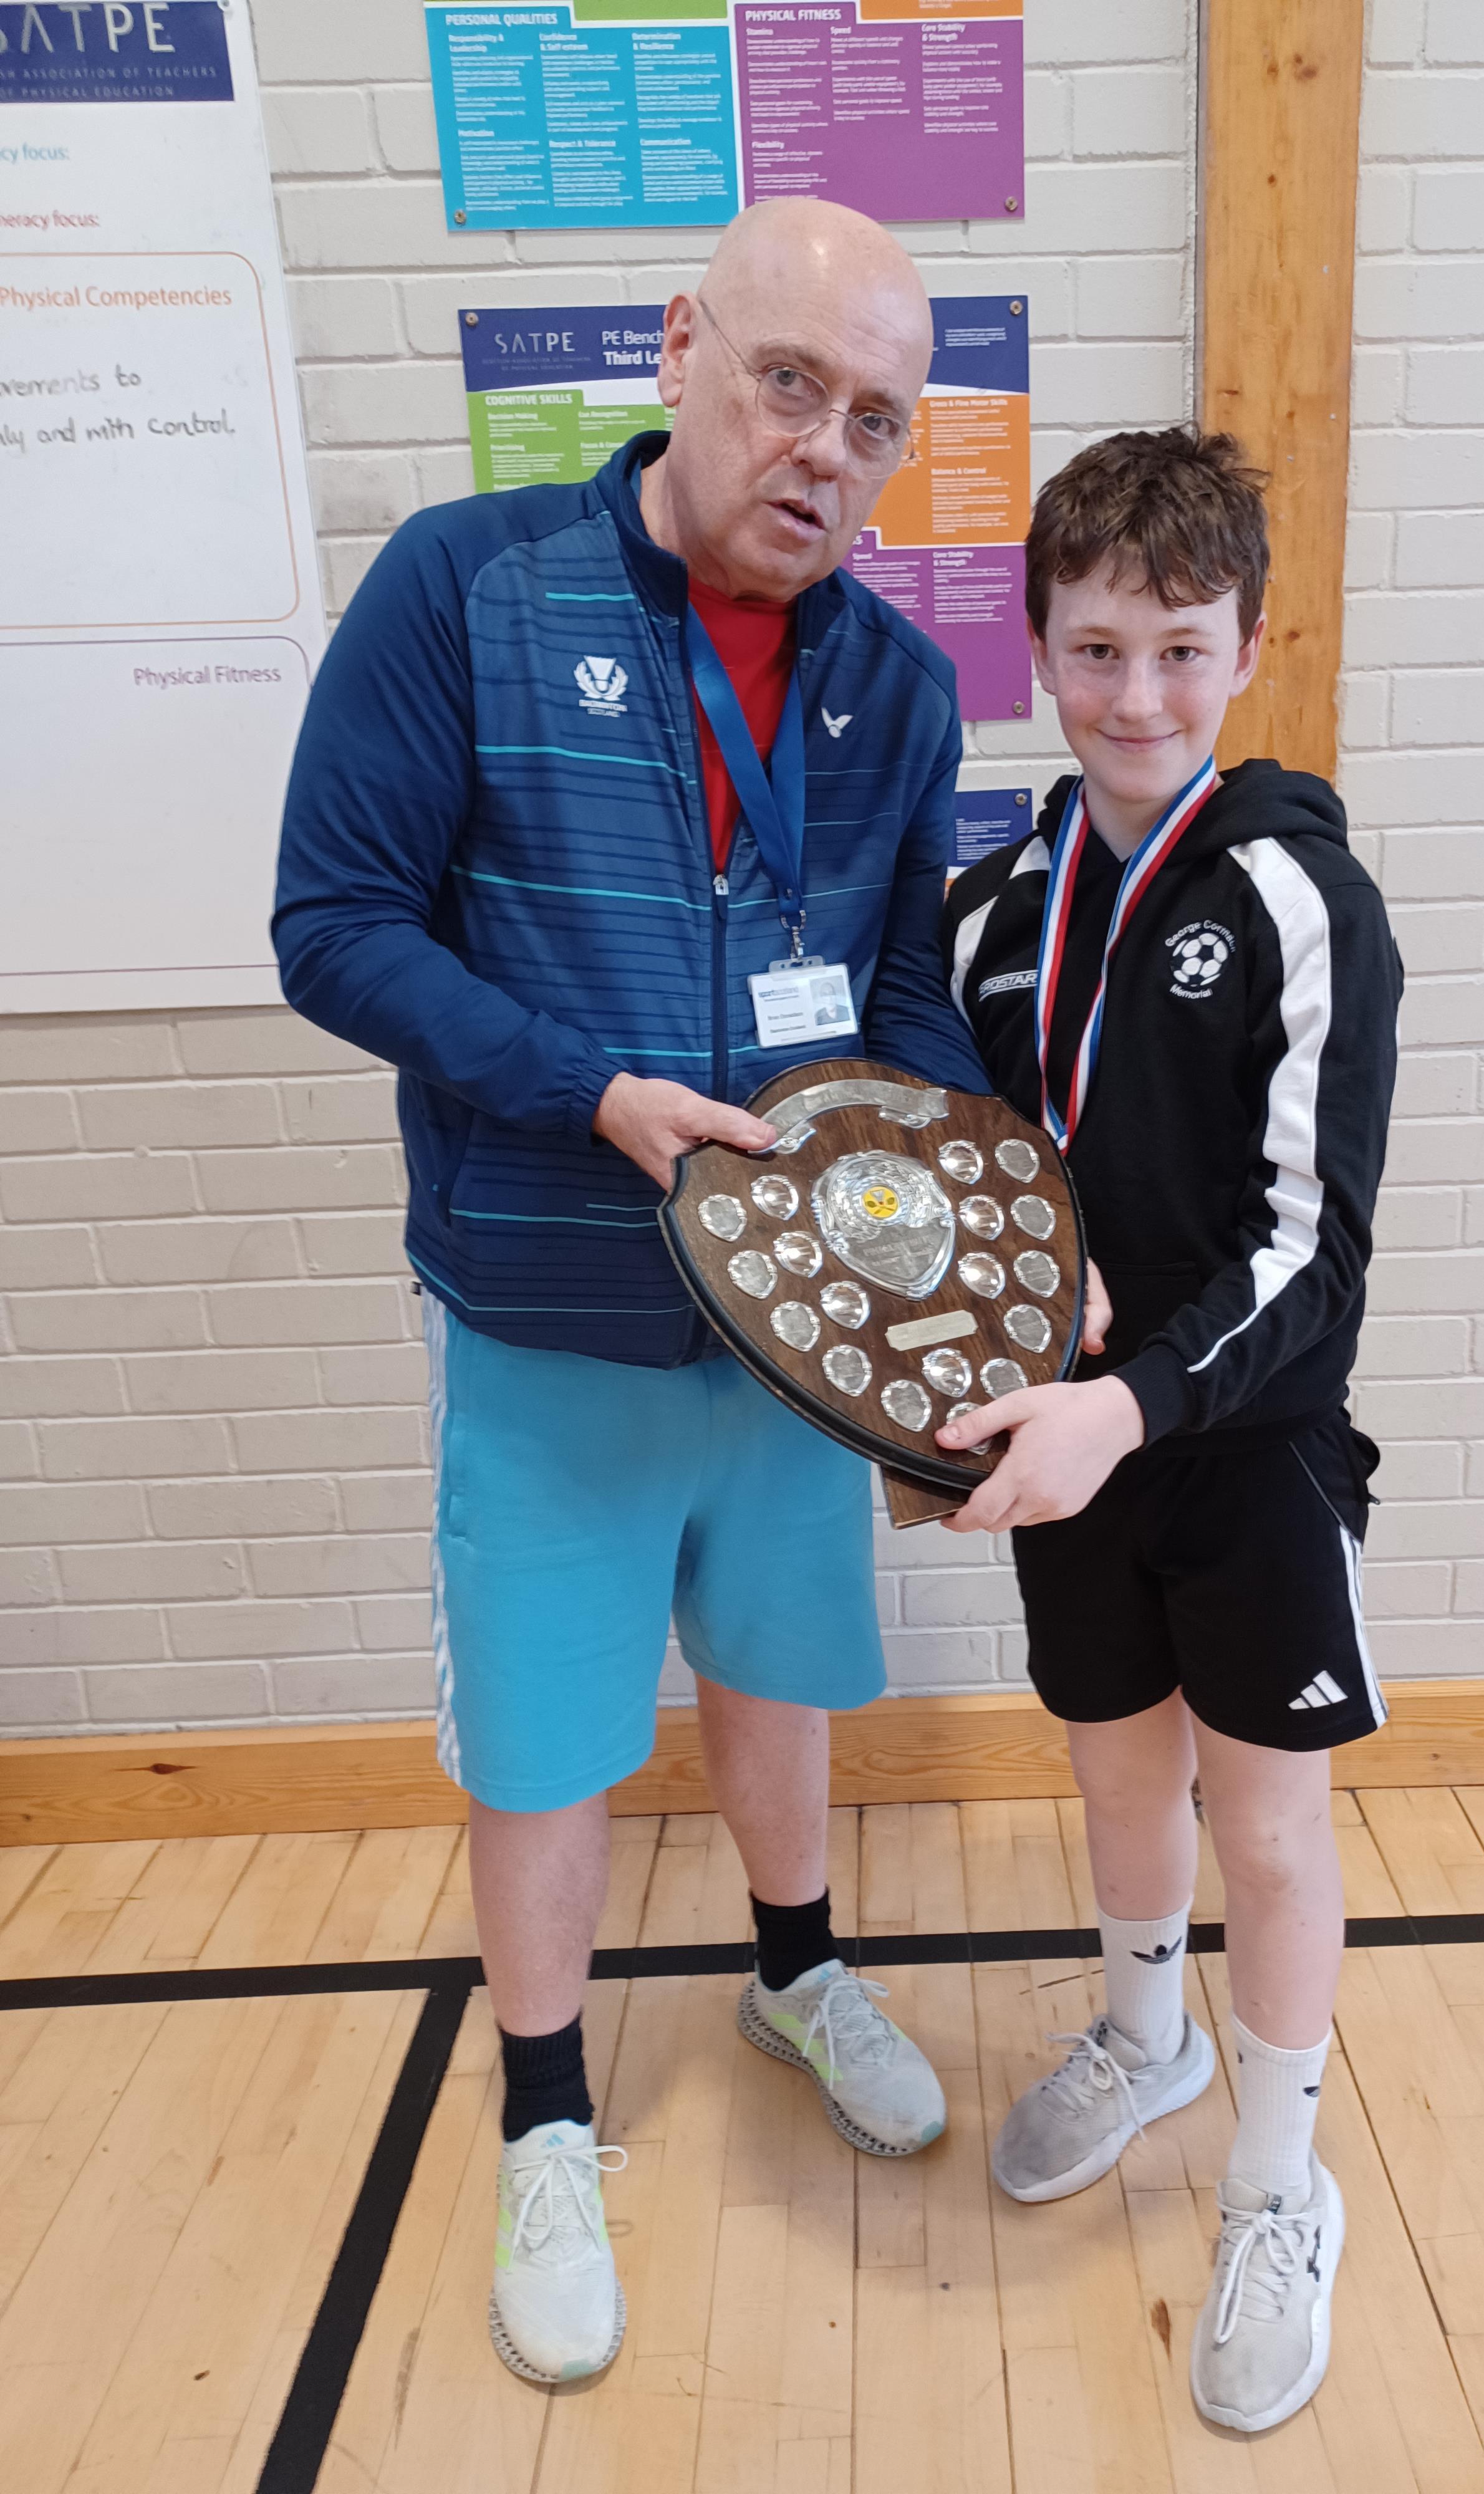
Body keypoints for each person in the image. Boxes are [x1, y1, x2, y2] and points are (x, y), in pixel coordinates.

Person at [273, 198, 993, 2387]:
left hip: (788, 1346)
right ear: (682, 347)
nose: (827, 453)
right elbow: (335, 925)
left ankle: (792, 1973)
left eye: (875, 421)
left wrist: (928, 1250)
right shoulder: (462, 591)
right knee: (553, 1742)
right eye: (791, 385)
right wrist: (582, 1091)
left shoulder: (898, 684)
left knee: (780, 1678)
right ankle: (550, 2114)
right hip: (543, 1312)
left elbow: (900, 1004)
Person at [937, 426, 1402, 2435]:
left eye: (1182, 650)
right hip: (1072, 1451)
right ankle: (1149, 2040)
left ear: (1251, 642)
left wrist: (1130, 1396)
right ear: (1038, 641)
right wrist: (969, 1367)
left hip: (1246, 1448)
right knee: (1117, 1777)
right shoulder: (994, 908)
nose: (1138, 696)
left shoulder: (1302, 895)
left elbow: (1317, 1262)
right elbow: (977, 1195)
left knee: (1268, 1824)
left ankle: (1285, 2189)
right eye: (1100, 647)